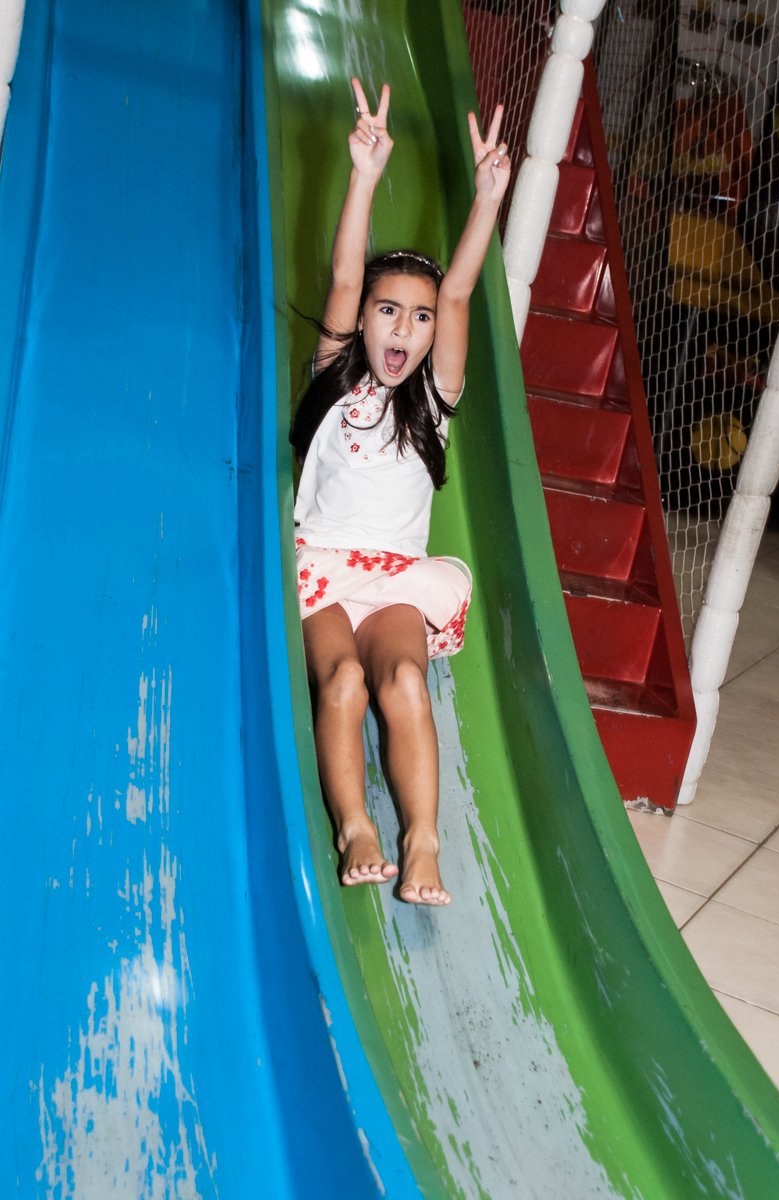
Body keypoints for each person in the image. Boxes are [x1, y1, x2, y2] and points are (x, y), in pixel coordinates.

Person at [291, 78, 510, 906]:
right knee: (343, 683)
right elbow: (346, 273)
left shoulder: (434, 403)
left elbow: (456, 291)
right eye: (388, 311)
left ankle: (422, 840)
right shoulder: (336, 383)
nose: (404, 329)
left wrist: (488, 200)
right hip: (322, 572)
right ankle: (355, 826)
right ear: (364, 320)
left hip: (392, 580)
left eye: (418, 319)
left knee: (405, 684)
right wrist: (364, 175)